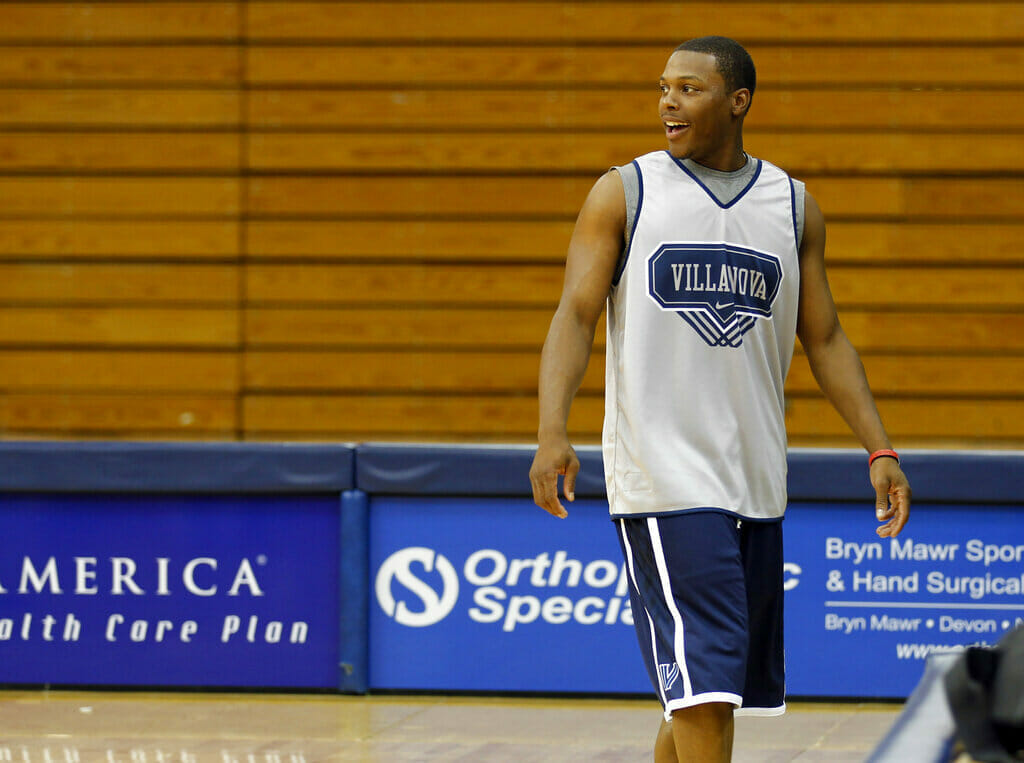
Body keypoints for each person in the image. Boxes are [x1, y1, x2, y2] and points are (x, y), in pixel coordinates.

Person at [528, 36, 912, 763]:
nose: (668, 101)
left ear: (738, 101)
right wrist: (552, 430)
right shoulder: (625, 191)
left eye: (689, 88)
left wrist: (880, 447)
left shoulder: (792, 205)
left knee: (704, 692)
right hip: (664, 476)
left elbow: (826, 340)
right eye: (663, 87)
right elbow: (575, 315)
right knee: (706, 691)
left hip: (755, 482)